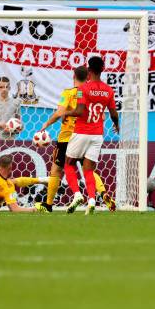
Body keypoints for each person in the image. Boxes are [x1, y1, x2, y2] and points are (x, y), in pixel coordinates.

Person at [38, 66, 113, 212]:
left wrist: (46, 124)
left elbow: (60, 112)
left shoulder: (68, 93)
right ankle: (103, 193)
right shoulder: (91, 93)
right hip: (87, 136)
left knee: (56, 170)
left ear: (74, 76)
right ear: (88, 78)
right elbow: (102, 116)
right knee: (88, 170)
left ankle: (48, 205)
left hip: (67, 137)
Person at [62, 57, 119, 215]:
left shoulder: (83, 89)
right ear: (102, 69)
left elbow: (79, 111)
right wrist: (116, 125)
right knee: (88, 170)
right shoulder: (108, 90)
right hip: (97, 135)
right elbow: (113, 113)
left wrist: (67, 113)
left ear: (89, 70)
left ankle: (77, 194)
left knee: (68, 164)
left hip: (81, 132)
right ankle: (92, 200)